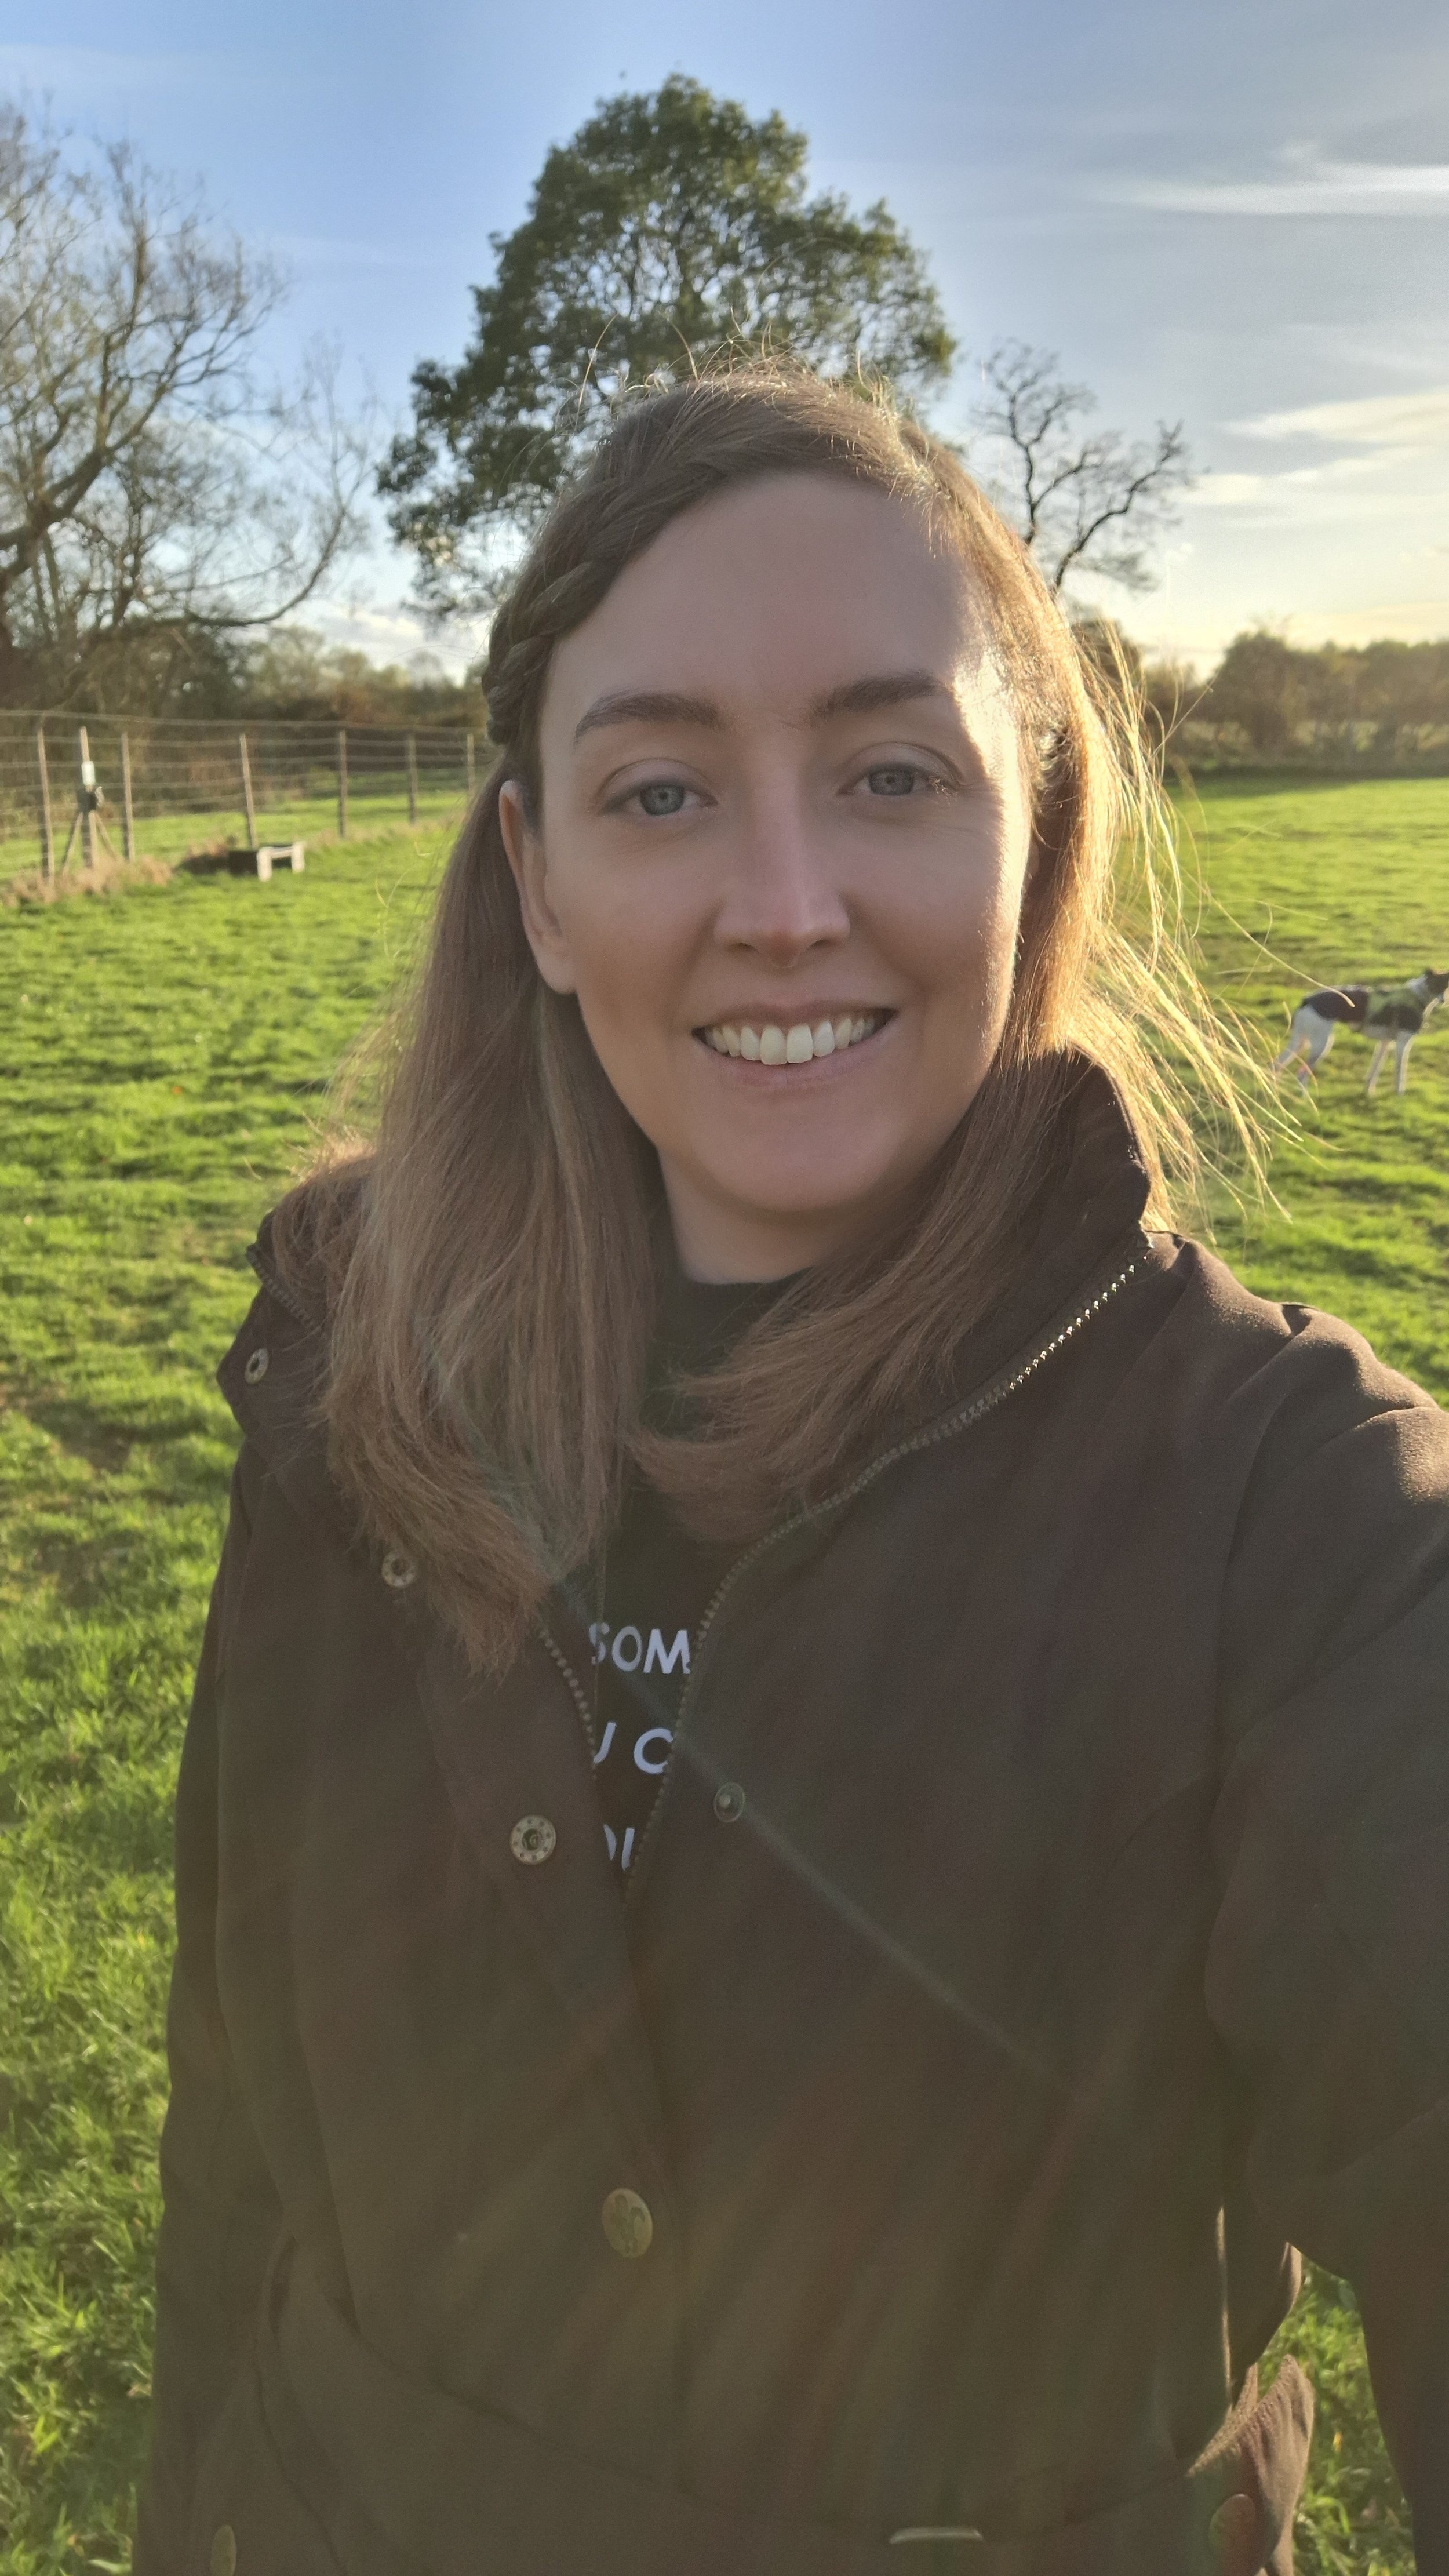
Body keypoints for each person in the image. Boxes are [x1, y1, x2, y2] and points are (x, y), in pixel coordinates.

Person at [137, 366, 1449, 2576]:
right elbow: (236, 2139)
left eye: (888, 774)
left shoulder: (1301, 1520)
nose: (782, 900)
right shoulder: (358, 1392)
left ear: (1034, 830)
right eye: (658, 791)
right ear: (536, 882)